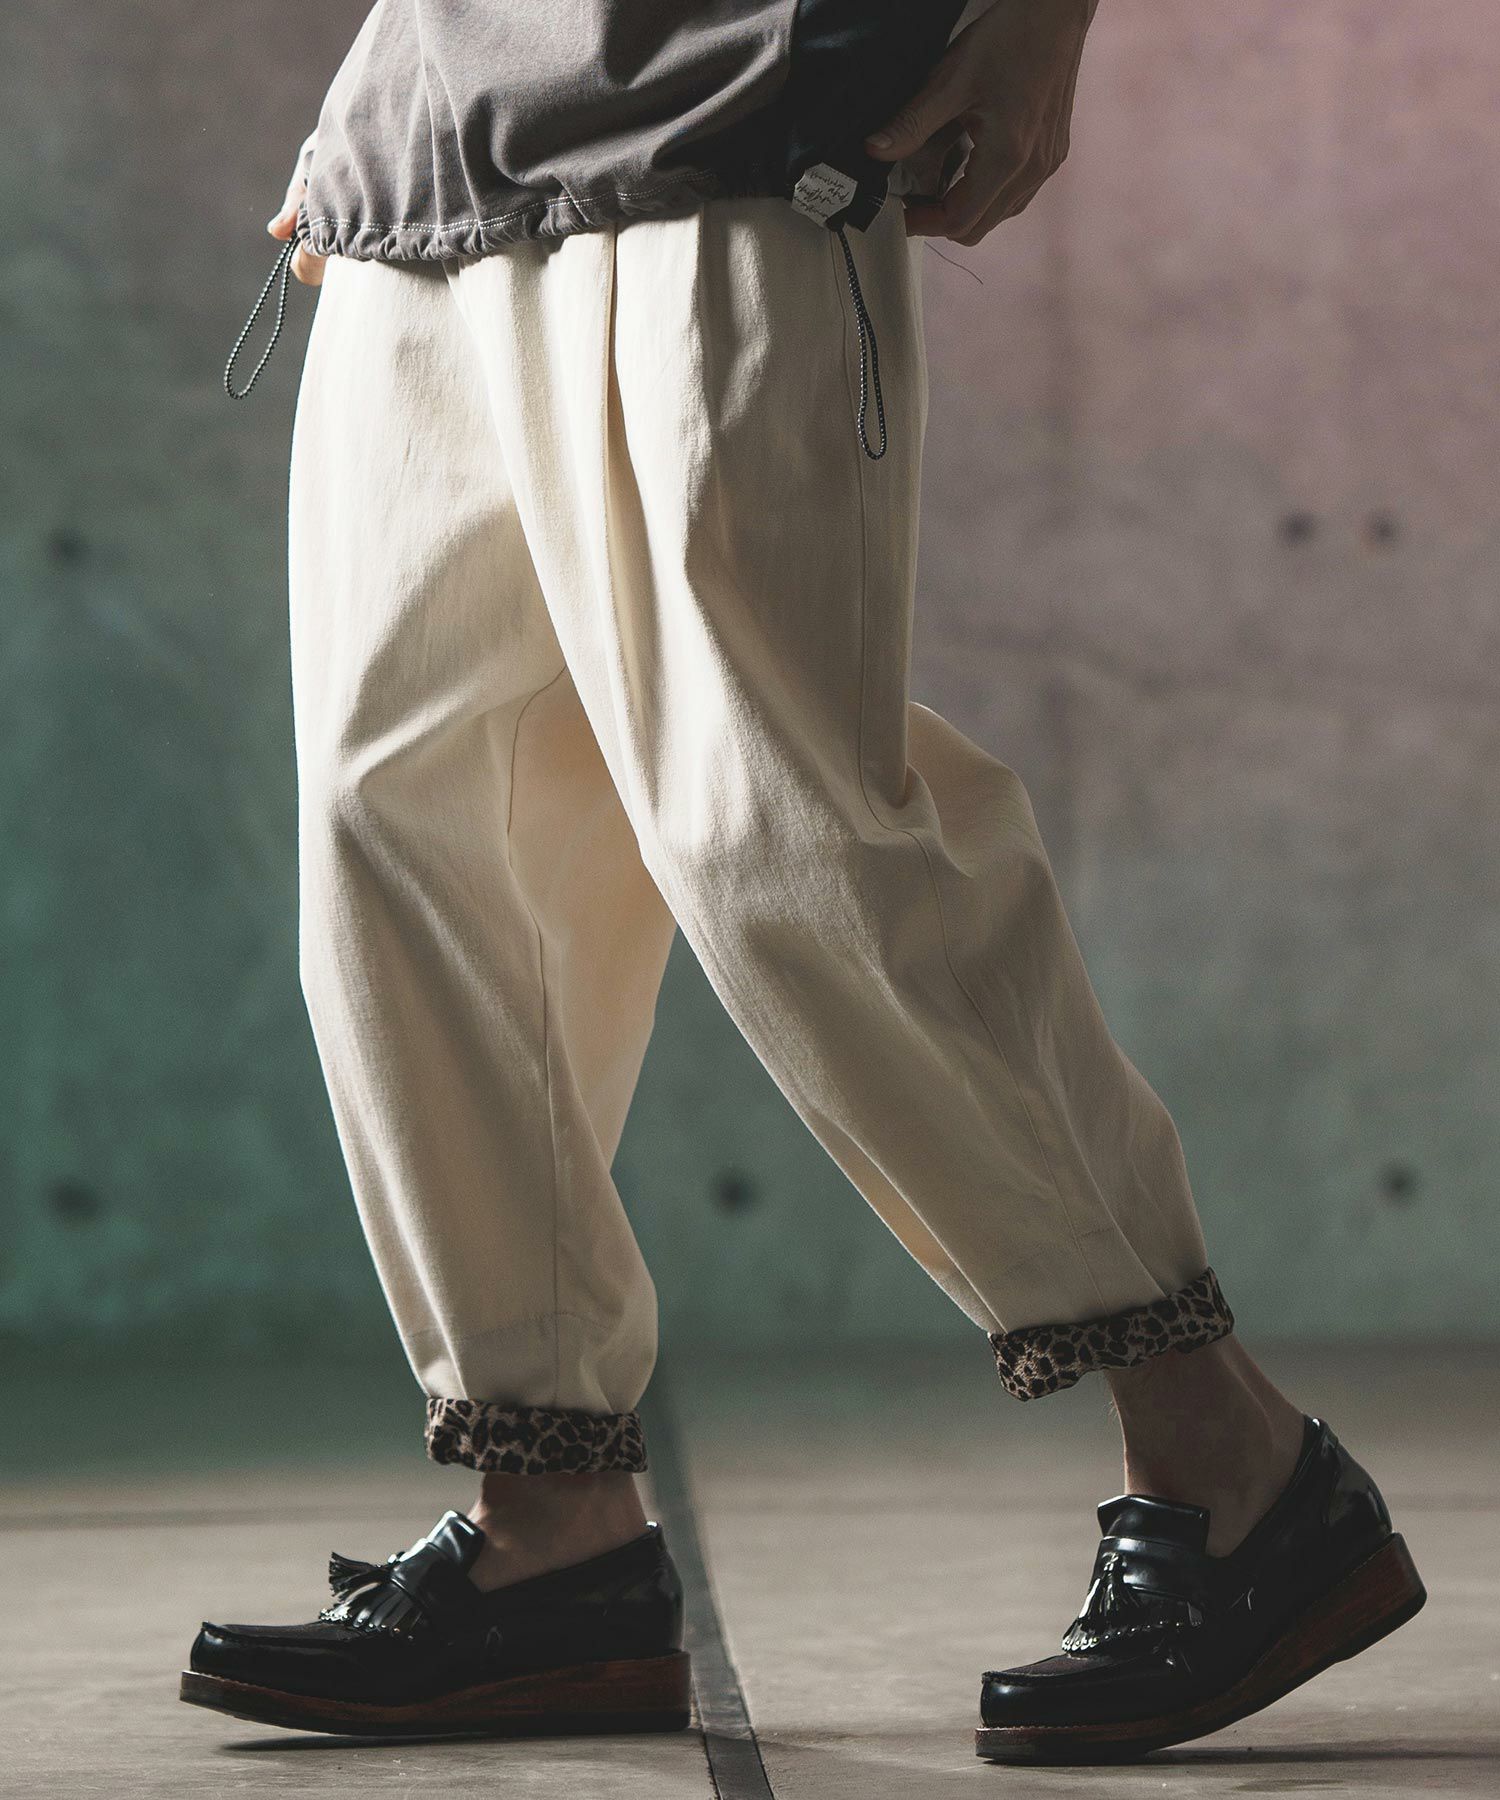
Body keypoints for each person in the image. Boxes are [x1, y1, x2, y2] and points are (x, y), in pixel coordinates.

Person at [182, 0, 1425, 1764]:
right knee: (401, 839)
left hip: (740, 95)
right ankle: (553, 1533)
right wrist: (377, 97)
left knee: (776, 821)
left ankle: (1234, 1464)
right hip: (426, 142)